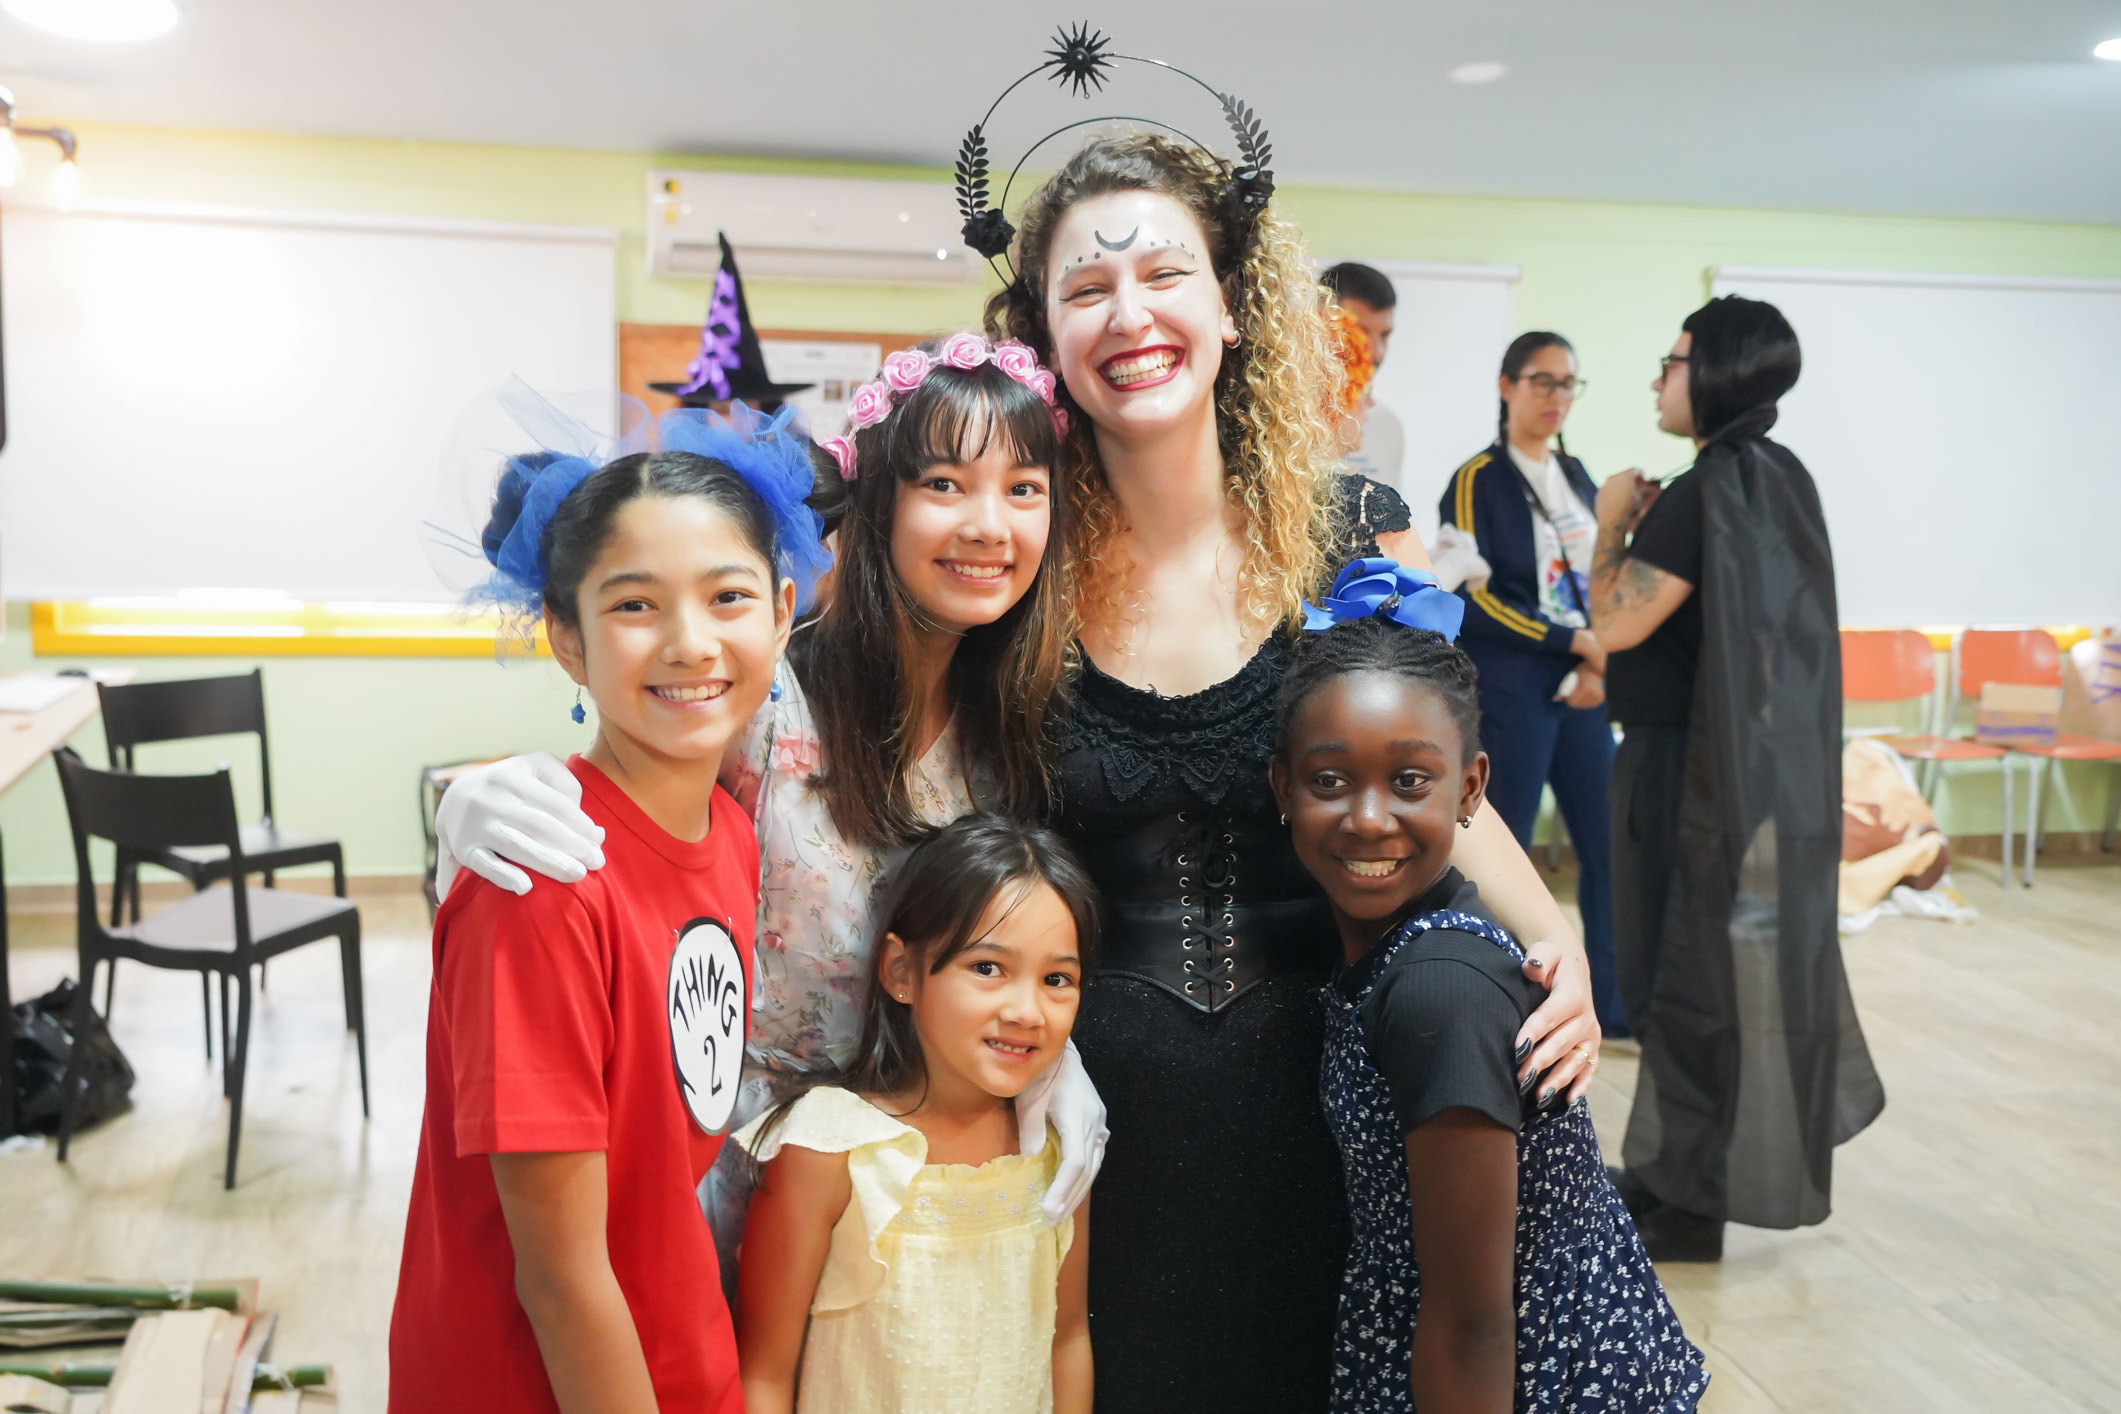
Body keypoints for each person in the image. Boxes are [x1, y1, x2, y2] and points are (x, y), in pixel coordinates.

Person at [983, 126, 1603, 1412]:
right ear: (1044, 334)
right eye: (1087, 288)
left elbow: (1436, 785)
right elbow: (848, 709)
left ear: (1230, 303)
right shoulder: (1015, 557)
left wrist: (1560, 944)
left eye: (1165, 273)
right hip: (1086, 1125)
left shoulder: (1345, 538)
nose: (1129, 314)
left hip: (1331, 1110)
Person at [429, 333, 1109, 1281]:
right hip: (713, 1164)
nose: (987, 525)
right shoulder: (765, 695)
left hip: (890, 1179)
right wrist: (478, 810)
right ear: (876, 500)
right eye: (943, 484)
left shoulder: (1020, 730)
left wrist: (1052, 1058)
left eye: (1023, 489)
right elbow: (624, 826)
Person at [390, 403, 824, 1414]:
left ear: (782, 611)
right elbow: (561, 1279)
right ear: (567, 638)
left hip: (680, 1352)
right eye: (635, 605)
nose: (690, 643)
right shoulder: (539, 882)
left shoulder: (731, 834)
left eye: (727, 596)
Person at [1268, 578, 1708, 1414]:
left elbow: (1472, 1323)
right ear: (1280, 787)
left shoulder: (1440, 996)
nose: (1369, 818)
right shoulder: (1388, 952)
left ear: (1469, 790)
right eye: (1330, 781)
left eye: (1409, 781)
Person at [1589, 296, 1885, 1262]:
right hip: (1741, 770)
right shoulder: (1776, 476)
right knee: (1700, 975)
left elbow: (1614, 622)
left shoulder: (1699, 491)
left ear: (1714, 372)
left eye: (1671, 362)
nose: (1657, 380)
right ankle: (1672, 1174)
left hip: (1679, 770)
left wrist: (1607, 527)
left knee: (1671, 972)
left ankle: (1687, 1204)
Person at [733, 813, 1097, 1414]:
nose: (1027, 1011)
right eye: (987, 968)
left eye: (1057, 978)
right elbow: (763, 1376)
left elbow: (1068, 1340)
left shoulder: (1056, 1147)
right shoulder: (828, 1147)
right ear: (902, 971)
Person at [1438, 332, 1625, 1036]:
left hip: (1584, 686)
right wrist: (1569, 642)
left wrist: (1594, 658)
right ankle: (1503, 1005)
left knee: (1606, 847)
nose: (1556, 397)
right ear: (1507, 386)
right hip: (1514, 687)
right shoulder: (1476, 479)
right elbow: (1474, 599)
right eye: (1541, 381)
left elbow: (1602, 578)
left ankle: (1610, 1006)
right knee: (1503, 847)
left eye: (1567, 383)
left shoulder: (1577, 476)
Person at [1320, 260, 1405, 493]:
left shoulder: (1387, 425)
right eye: (1360, 332)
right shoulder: (1279, 420)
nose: (1377, 352)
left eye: (1385, 335)